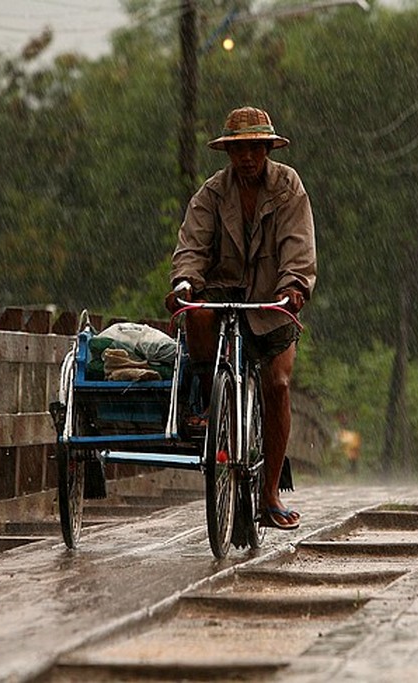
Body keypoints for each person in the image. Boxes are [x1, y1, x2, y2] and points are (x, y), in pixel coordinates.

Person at [165, 106, 316, 531]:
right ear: (228, 153)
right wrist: (185, 283)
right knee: (196, 316)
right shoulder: (212, 193)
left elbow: (298, 245)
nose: (247, 158)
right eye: (239, 150)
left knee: (278, 384)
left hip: (272, 299)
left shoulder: (288, 187)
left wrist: (294, 287)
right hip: (223, 288)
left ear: (267, 148)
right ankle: (208, 401)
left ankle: (269, 495)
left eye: (254, 149)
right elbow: (192, 245)